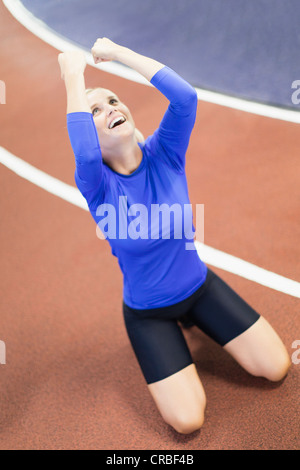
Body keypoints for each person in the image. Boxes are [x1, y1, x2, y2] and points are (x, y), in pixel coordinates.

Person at [58, 38, 291, 434]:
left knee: (276, 367)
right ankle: (177, 330)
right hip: (149, 313)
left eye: (113, 101)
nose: (110, 109)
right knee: (188, 421)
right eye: (94, 110)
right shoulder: (97, 184)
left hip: (199, 287)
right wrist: (71, 76)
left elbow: (185, 98)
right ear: (90, 137)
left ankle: (195, 320)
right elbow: (82, 151)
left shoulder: (165, 154)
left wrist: (118, 54)